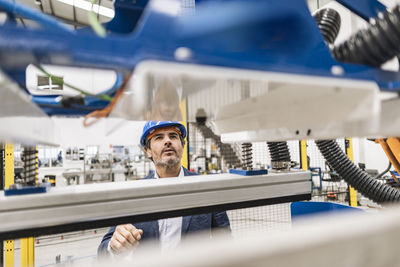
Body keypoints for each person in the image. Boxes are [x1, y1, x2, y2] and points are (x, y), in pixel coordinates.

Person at [98, 121, 231, 257]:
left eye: (173, 136)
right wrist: (115, 246)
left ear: (183, 146)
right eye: (159, 137)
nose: (167, 141)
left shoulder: (207, 188)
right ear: (148, 151)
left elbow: (225, 242)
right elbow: (103, 250)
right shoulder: (135, 193)